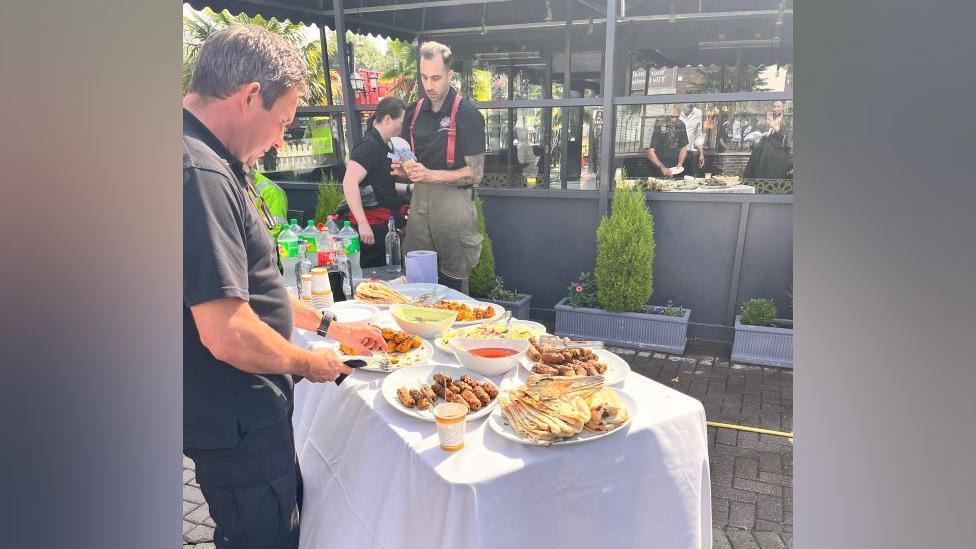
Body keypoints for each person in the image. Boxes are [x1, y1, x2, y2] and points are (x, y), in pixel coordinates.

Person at [182, 25, 387, 549]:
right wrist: (309, 363)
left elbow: (254, 288)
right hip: (238, 424)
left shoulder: (209, 157)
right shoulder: (199, 172)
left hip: (242, 420)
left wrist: (328, 325)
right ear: (250, 95)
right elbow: (227, 330)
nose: (279, 141)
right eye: (283, 122)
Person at [391, 41, 486, 294]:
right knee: (418, 281)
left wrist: (431, 175)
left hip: (454, 203)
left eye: (436, 78)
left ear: (450, 75)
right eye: (424, 77)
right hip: (419, 202)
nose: (429, 86)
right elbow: (410, 161)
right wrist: (404, 170)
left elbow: (476, 174)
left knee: (454, 281)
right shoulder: (413, 112)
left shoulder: (467, 114)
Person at [339, 97, 409, 267]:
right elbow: (349, 182)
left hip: (384, 223)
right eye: (401, 122)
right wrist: (362, 224)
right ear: (387, 119)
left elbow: (383, 184)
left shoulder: (385, 145)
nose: (403, 127)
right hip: (370, 227)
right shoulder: (369, 145)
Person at [647, 104, 689, 178]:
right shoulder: (660, 123)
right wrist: (662, 167)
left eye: (677, 117)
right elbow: (650, 152)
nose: (674, 120)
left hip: (674, 169)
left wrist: (679, 164)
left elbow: (684, 148)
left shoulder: (681, 124)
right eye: (672, 117)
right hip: (658, 167)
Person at [680, 103, 706, 177]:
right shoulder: (677, 111)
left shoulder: (698, 113)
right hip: (675, 153)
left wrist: (701, 154)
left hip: (689, 154)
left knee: (689, 179)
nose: (690, 103)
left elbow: (698, 135)